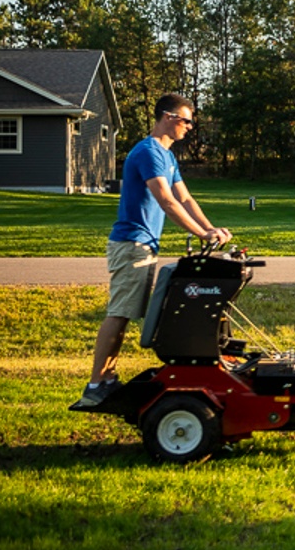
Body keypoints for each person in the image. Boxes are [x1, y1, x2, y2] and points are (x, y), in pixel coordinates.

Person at [72, 94, 231, 410]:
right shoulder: (148, 152)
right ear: (170, 117)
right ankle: (95, 384)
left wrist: (211, 230)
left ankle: (106, 379)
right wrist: (200, 233)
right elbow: (166, 201)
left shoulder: (167, 157)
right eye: (186, 120)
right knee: (119, 314)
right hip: (132, 244)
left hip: (143, 245)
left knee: (125, 314)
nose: (189, 127)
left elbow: (185, 199)